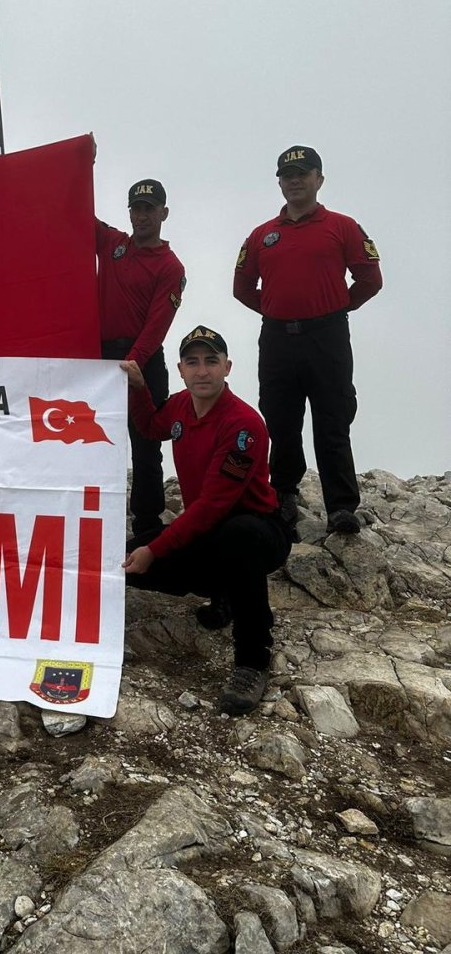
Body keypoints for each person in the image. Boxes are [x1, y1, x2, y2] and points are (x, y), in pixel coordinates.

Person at [120, 326, 290, 715]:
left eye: (211, 361)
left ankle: (252, 662)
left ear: (227, 367)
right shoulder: (181, 406)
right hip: (210, 535)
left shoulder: (243, 424)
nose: (202, 371)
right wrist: (139, 387)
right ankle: (225, 593)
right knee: (124, 562)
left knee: (238, 534)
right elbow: (149, 427)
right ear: (180, 370)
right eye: (193, 362)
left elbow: (213, 505)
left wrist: (155, 548)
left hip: (259, 532)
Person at [233, 146, 382, 534]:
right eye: (287, 174)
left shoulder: (342, 226)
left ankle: (341, 506)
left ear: (319, 178)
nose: (294, 180)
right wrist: (275, 309)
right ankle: (282, 494)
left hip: (326, 337)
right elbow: (242, 286)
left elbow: (370, 279)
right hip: (278, 339)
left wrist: (334, 308)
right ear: (279, 182)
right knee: (280, 419)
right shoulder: (262, 234)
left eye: (302, 173)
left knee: (333, 418)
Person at [96, 179, 186, 541]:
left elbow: (157, 324)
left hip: (141, 363)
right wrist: (84, 164)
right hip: (100, 360)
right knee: (92, 439)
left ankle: (147, 526)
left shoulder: (170, 266)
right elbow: (76, 217)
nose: (142, 215)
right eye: (136, 208)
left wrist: (132, 364)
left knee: (146, 446)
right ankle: (94, 517)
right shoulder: (114, 244)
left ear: (164, 213)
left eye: (150, 208)